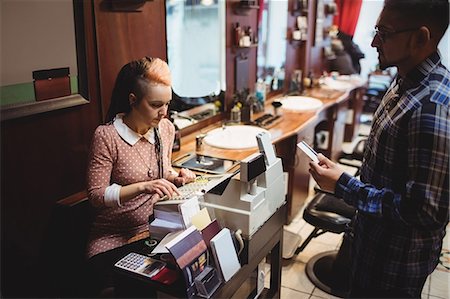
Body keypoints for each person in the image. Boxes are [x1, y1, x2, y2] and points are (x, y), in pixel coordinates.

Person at [309, 0, 449, 297]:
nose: (373, 41)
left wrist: (344, 185)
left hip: (394, 261)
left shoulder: (431, 106)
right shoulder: (405, 82)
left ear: (420, 38)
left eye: (383, 33)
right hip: (370, 240)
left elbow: (424, 212)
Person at [85, 57, 196, 296]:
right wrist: (142, 187)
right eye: (156, 105)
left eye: (167, 104)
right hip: (113, 237)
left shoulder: (165, 129)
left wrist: (177, 176)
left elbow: (162, 170)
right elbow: (96, 195)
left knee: (190, 276)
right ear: (133, 100)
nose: (163, 113)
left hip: (155, 231)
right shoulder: (107, 137)